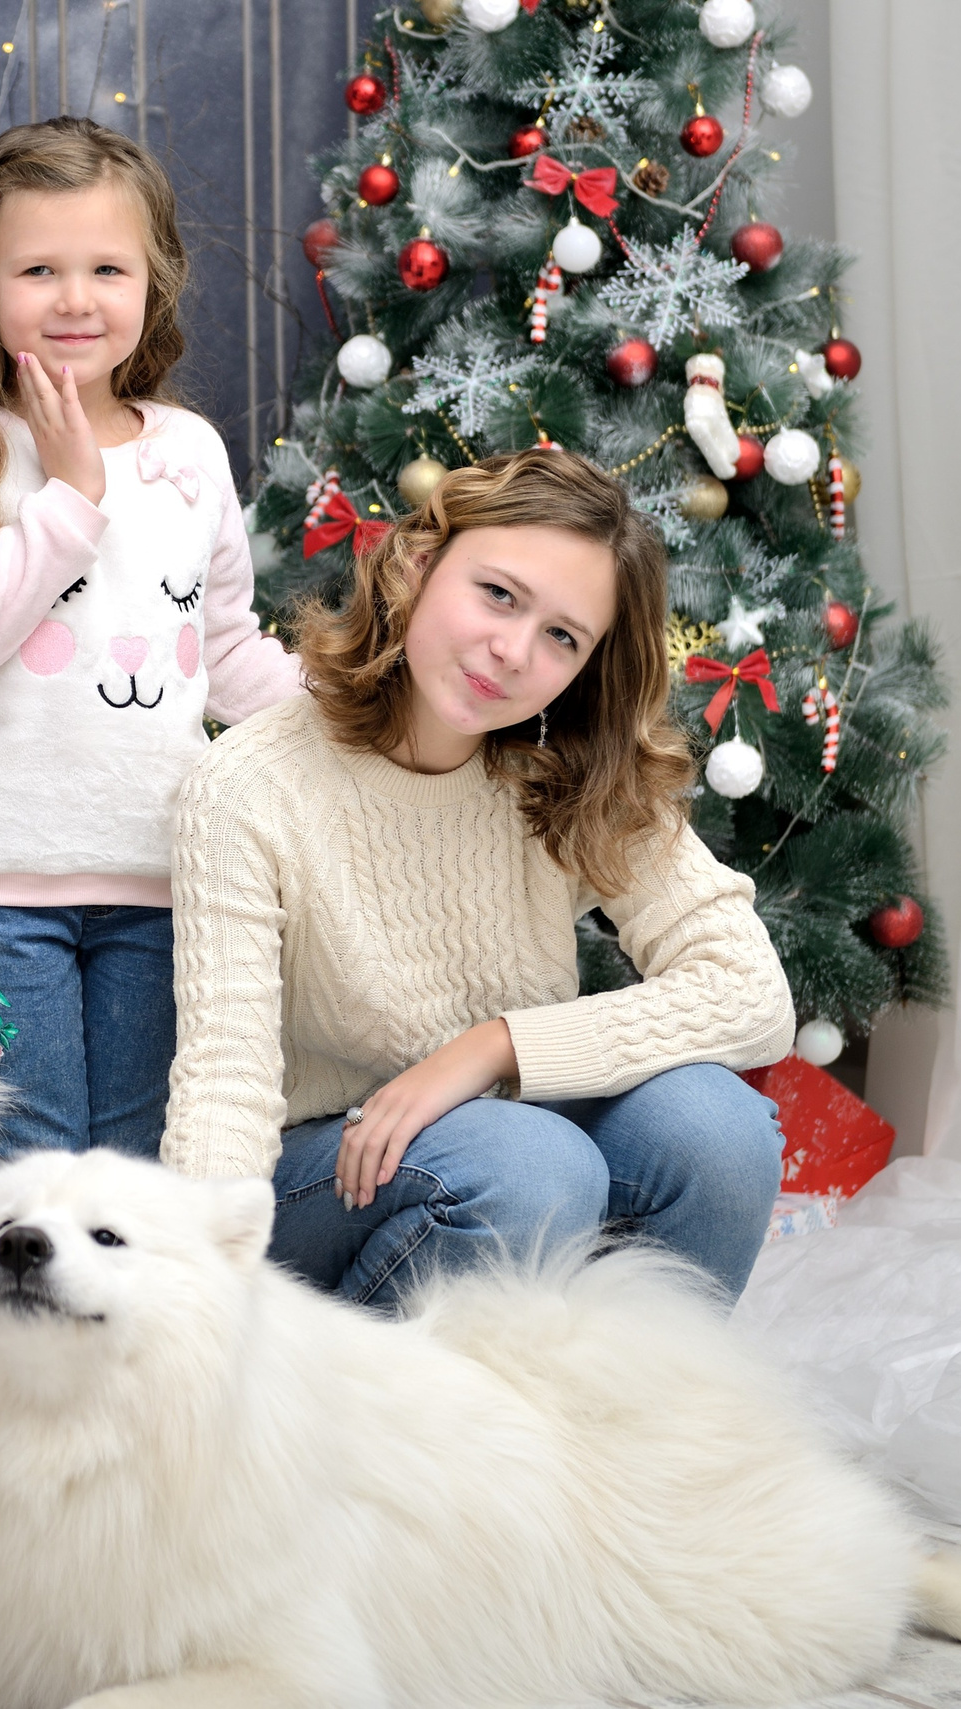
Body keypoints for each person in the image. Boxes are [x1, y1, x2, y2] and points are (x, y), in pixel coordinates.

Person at [164, 447, 793, 1306]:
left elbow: (753, 993)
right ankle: (397, 1426)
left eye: (561, 637)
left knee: (718, 1131)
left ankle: (617, 1424)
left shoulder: (569, 768)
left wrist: (492, 1047)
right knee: (530, 1163)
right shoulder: (249, 788)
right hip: (327, 1176)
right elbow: (223, 1085)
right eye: (498, 594)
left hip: (505, 1147)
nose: (511, 651)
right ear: (419, 564)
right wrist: (195, 1301)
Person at [0, 116, 303, 1161]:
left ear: (153, 281)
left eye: (107, 267)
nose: (76, 298)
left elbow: (225, 652)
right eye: (39, 268)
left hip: (167, 887)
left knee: (136, 1171)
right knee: (29, 1172)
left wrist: (352, 711)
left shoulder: (188, 451)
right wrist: (72, 495)